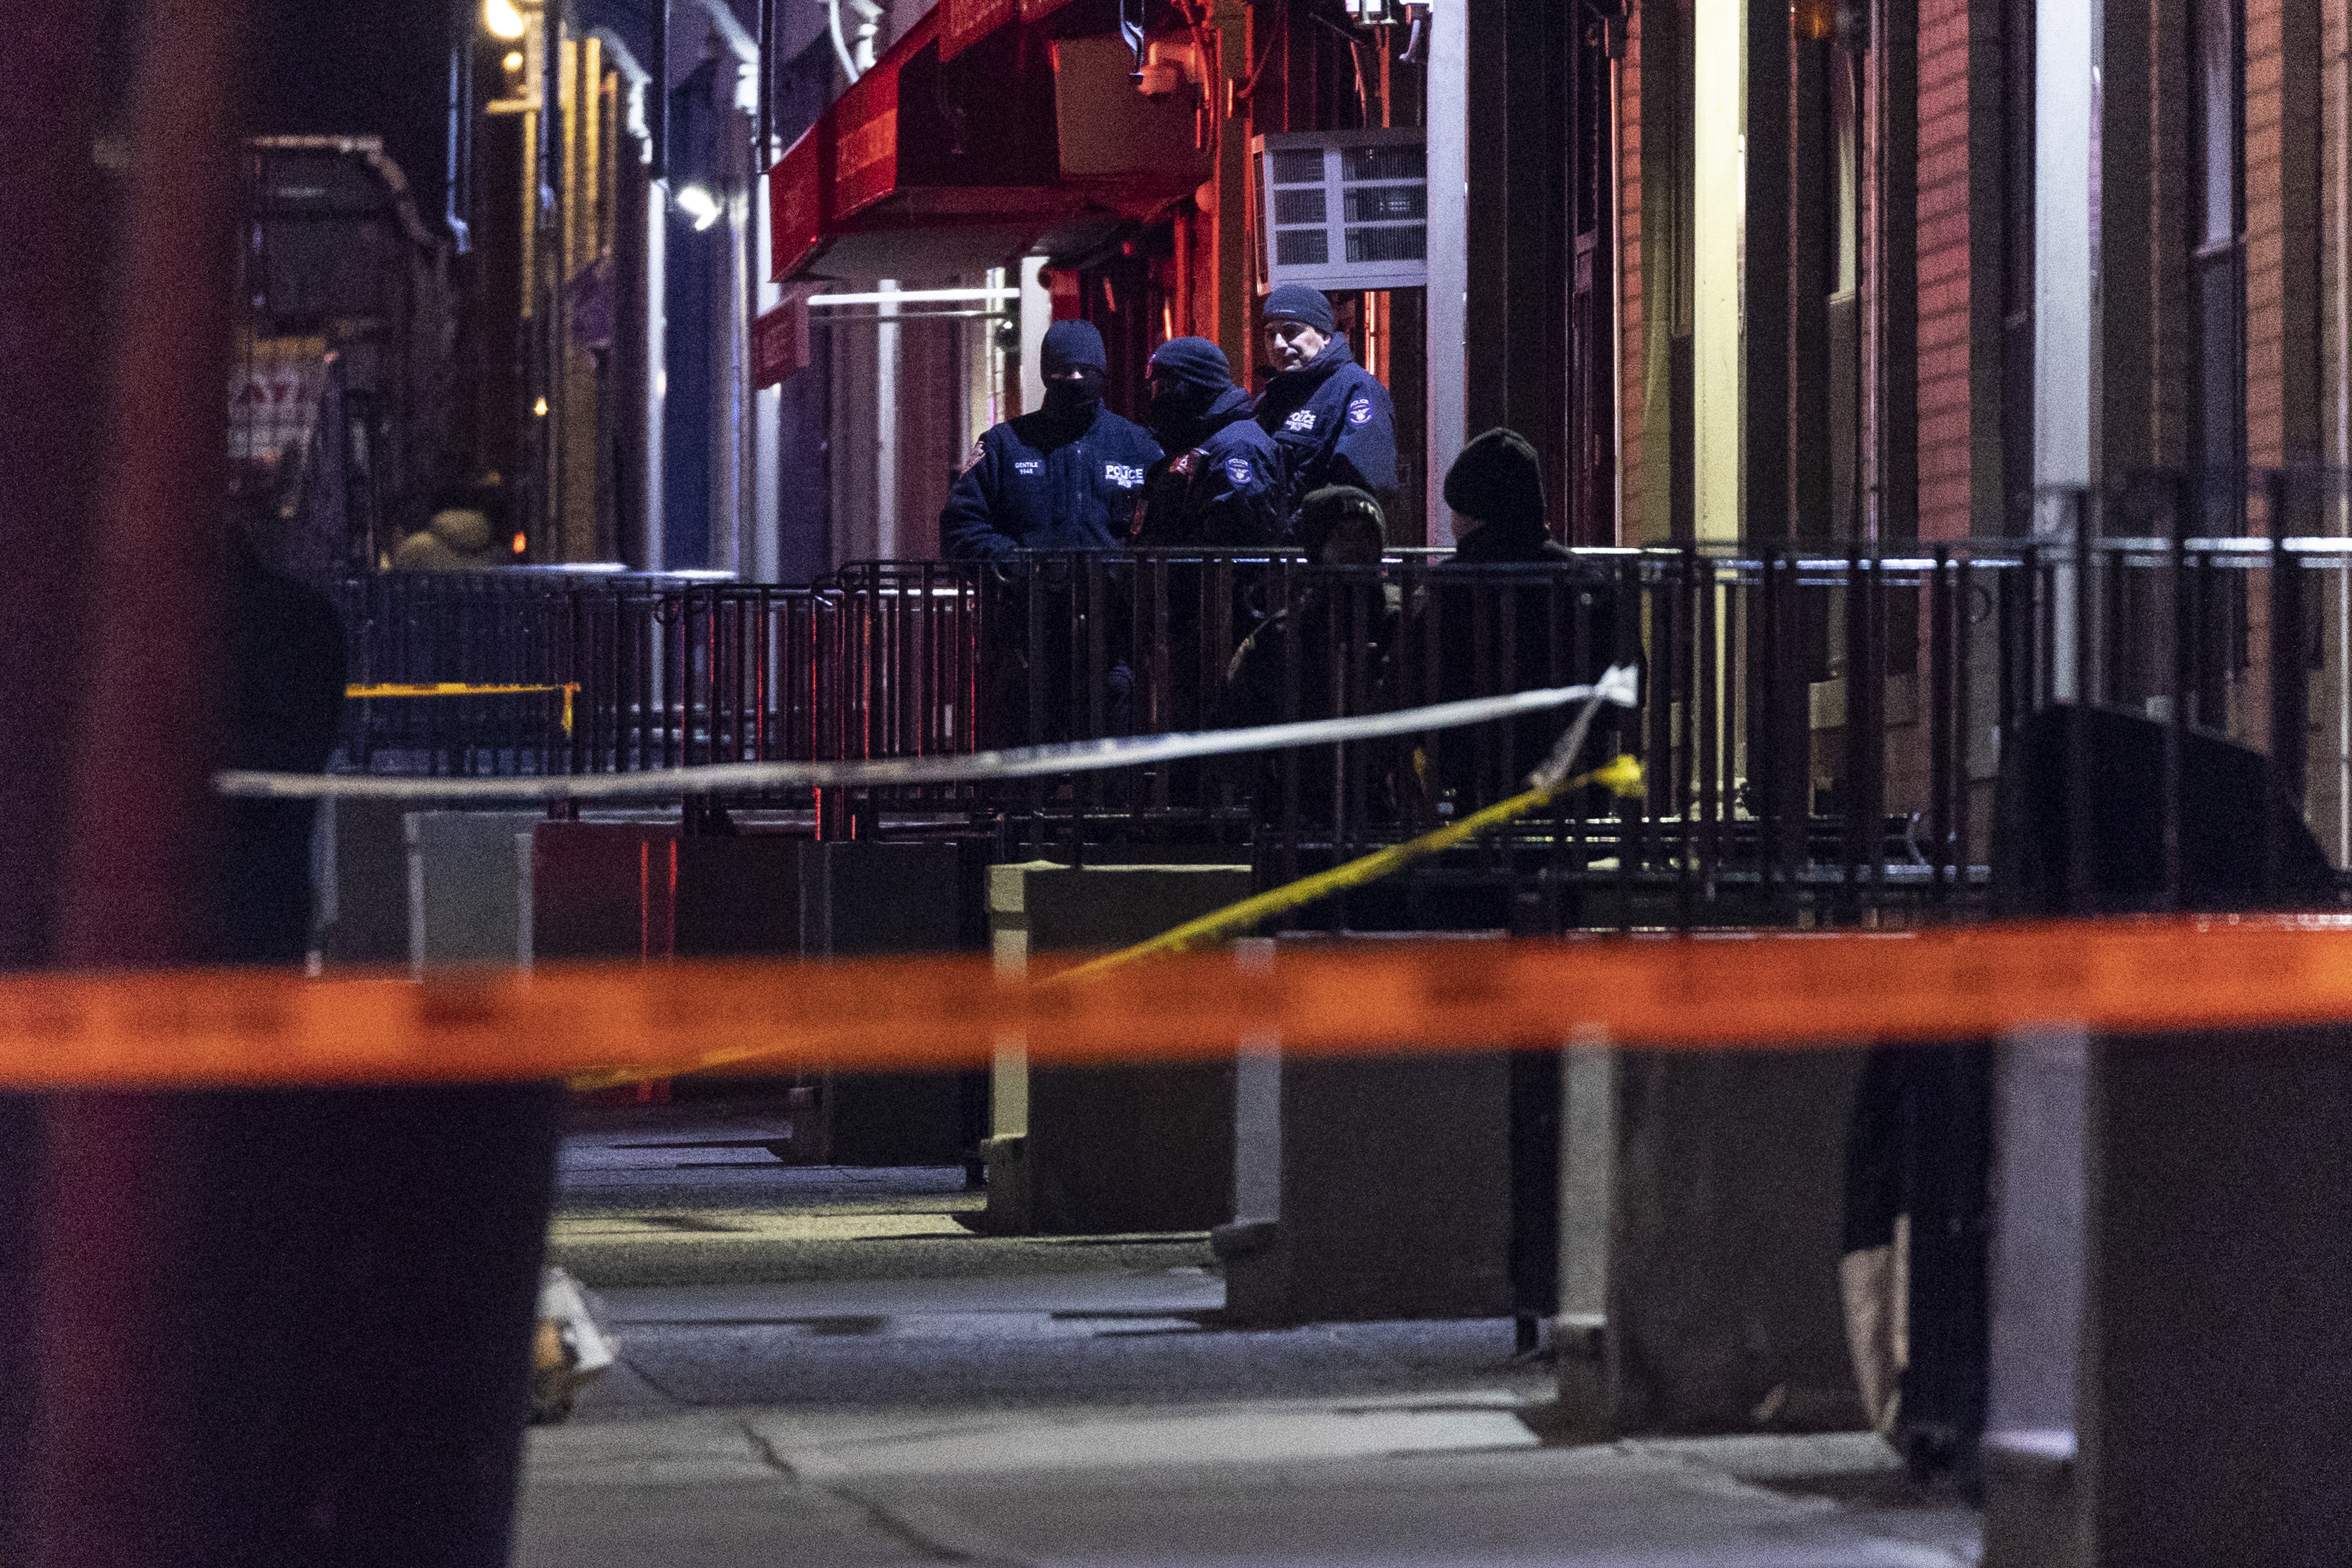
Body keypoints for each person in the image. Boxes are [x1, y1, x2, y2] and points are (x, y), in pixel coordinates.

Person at [1417, 428, 1621, 810]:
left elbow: (1414, 680)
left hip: (1476, 781)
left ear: (1472, 513)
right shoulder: (1586, 580)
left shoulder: (1451, 584)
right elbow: (1626, 681)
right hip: (1573, 775)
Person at [940, 318, 1163, 559]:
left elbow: (1165, 528)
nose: (1076, 379)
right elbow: (960, 527)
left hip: (1113, 596)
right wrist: (1015, 564)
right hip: (1028, 596)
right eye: (1065, 371)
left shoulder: (1139, 446)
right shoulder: (1004, 445)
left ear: (1101, 373)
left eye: (1086, 371)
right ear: (1048, 374)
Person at [1251, 284, 1398, 528]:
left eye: (1290, 331)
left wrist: (1296, 536)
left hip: (1318, 558)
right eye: (1270, 334)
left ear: (1325, 336)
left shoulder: (1356, 389)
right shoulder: (1271, 397)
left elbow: (1360, 486)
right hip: (1277, 559)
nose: (1278, 344)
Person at [1129, 337, 1284, 547]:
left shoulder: (1237, 448)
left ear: (1192, 387)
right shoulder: (1194, 441)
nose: (1155, 399)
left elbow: (1233, 549)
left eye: (1162, 388)